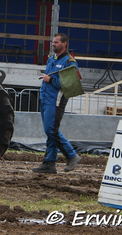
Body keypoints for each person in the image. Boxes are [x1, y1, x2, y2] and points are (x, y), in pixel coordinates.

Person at [32, 33, 81, 174]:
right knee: (50, 131)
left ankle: (72, 155)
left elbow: (70, 85)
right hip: (46, 99)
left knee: (51, 130)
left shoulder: (69, 61)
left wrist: (50, 80)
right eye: (53, 42)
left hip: (56, 101)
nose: (53, 44)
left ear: (64, 44)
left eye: (56, 42)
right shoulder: (51, 59)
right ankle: (49, 162)